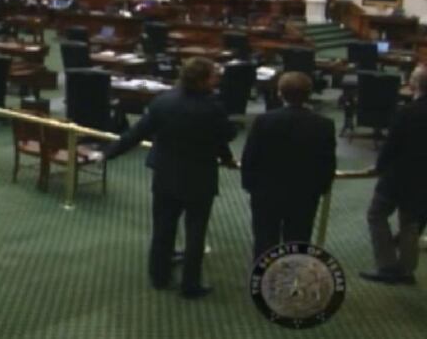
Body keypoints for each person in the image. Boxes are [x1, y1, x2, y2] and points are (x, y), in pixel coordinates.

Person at [103, 57, 237, 298]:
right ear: (203, 80)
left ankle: (159, 276)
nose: (217, 79)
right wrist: (227, 159)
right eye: (214, 75)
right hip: (200, 178)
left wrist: (108, 154)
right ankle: (190, 285)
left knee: (163, 228)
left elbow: (136, 133)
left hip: (165, 174)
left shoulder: (163, 102)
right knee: (196, 233)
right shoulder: (213, 107)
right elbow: (227, 135)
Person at [241, 72, 337, 261]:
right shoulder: (324, 125)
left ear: (280, 93)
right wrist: (321, 188)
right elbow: (327, 162)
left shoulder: (264, 121)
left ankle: (261, 284)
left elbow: (250, 157)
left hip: (266, 192)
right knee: (298, 241)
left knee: (265, 242)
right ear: (309, 94)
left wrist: (250, 186)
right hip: (304, 194)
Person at [360, 64, 427, 285]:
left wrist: (378, 168)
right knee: (410, 223)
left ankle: (387, 266)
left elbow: (390, 147)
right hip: (423, 180)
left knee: (376, 215)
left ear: (413, 84)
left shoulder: (406, 112)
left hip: (398, 178)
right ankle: (406, 271)